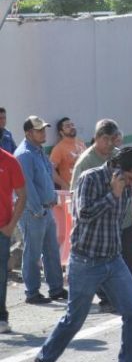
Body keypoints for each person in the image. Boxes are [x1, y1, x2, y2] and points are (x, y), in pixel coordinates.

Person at [35, 147, 132, 362]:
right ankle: (44, 358)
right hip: (86, 262)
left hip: (114, 260)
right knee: (74, 320)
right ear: (118, 168)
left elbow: (118, 221)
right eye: (131, 178)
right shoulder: (90, 178)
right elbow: (83, 214)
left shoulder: (126, 185)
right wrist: (112, 195)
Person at [71, 120, 132, 311]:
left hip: (122, 223)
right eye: (105, 138)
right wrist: (112, 196)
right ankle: (108, 299)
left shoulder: (122, 158)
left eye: (113, 138)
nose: (110, 143)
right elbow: (81, 207)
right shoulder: (86, 166)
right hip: (93, 235)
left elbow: (131, 187)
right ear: (97, 138)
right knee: (75, 314)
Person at [15, 116, 67, 304]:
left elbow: (45, 177)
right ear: (28, 133)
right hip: (33, 211)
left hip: (45, 209)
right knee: (33, 252)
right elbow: (26, 186)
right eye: (39, 130)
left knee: (51, 250)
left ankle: (56, 289)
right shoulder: (24, 154)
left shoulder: (38, 151)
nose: (43, 133)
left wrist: (52, 199)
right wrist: (38, 209)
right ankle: (32, 292)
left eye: (43, 129)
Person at [0, 133, 25, 333]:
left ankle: (1, 317)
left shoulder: (10, 161)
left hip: (2, 229)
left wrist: (11, 225)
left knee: (0, 275)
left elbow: (22, 194)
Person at [49, 118, 85, 191]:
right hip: (71, 190)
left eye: (72, 125)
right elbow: (50, 169)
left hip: (85, 186)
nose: (71, 127)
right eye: (67, 126)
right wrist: (63, 184)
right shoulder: (58, 148)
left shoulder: (81, 143)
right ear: (61, 132)